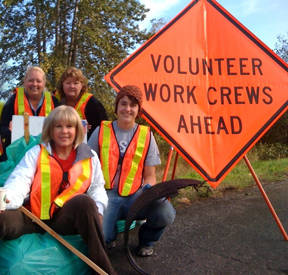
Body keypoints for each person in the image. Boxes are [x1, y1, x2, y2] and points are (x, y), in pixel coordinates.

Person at [0, 105, 115, 275]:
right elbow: (20, 180)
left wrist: (98, 209)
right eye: (58, 126)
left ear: (77, 130)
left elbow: (97, 187)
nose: (64, 131)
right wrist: (5, 199)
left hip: (64, 220)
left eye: (69, 126)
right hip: (33, 218)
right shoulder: (36, 153)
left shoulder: (90, 156)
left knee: (86, 203)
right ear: (50, 129)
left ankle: (104, 270)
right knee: (2, 219)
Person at [88, 85, 176, 257]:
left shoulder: (146, 135)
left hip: (135, 196)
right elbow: (87, 168)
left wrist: (149, 193)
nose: (127, 109)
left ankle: (147, 241)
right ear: (117, 107)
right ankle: (109, 237)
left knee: (164, 211)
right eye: (124, 104)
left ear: (138, 110)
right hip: (106, 196)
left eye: (133, 105)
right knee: (102, 240)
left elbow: (150, 176)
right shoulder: (100, 130)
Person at [0, 66, 59, 160]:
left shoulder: (54, 102)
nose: (34, 84)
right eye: (31, 80)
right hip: (17, 155)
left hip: (46, 155)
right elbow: (2, 128)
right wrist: (9, 131)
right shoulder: (13, 100)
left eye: (38, 81)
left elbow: (63, 124)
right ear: (25, 82)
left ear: (44, 83)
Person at [55, 67, 108, 139]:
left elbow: (102, 128)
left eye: (76, 83)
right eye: (68, 83)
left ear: (82, 85)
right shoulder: (54, 100)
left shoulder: (92, 104)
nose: (72, 86)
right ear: (62, 84)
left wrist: (90, 130)